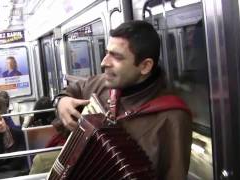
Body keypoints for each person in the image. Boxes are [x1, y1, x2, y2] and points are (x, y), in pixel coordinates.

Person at [55, 20, 192, 179]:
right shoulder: (100, 85)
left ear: (145, 66)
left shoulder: (172, 117)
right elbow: (72, 91)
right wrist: (61, 102)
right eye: (107, 52)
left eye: (117, 57)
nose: (104, 62)